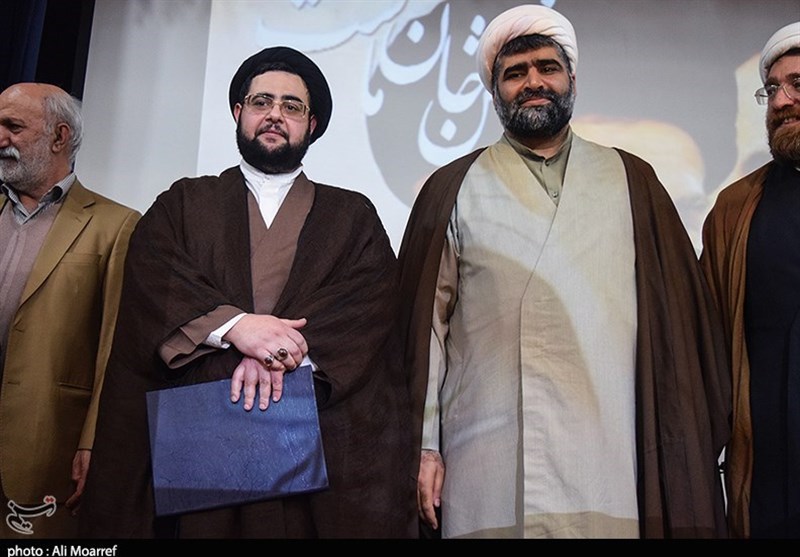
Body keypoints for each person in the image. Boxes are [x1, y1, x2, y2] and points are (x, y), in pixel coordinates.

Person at [397, 5, 731, 539]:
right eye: (515, 73)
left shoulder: (633, 180)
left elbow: (680, 339)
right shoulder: (452, 187)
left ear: (572, 80)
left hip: (611, 461)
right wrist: (425, 446)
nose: (533, 82)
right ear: (495, 93)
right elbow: (426, 336)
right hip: (484, 463)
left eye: (547, 68)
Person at [78, 46, 416, 539]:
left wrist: (275, 353)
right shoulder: (183, 202)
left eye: (292, 106)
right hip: (201, 430)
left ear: (312, 125)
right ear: (238, 113)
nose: (275, 114)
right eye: (261, 102)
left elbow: (369, 305)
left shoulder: (352, 215)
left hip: (308, 432)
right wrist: (237, 328)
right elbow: (156, 278)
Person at [0, 83, 139, 538]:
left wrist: (94, 441)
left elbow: (114, 348)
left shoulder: (115, 225)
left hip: (45, 447)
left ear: (59, 137)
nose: (0, 137)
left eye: (13, 126)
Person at [700, 22, 800, 539]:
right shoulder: (735, 209)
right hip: (768, 486)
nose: (781, 101)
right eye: (772, 89)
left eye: (797, 84)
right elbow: (702, 341)